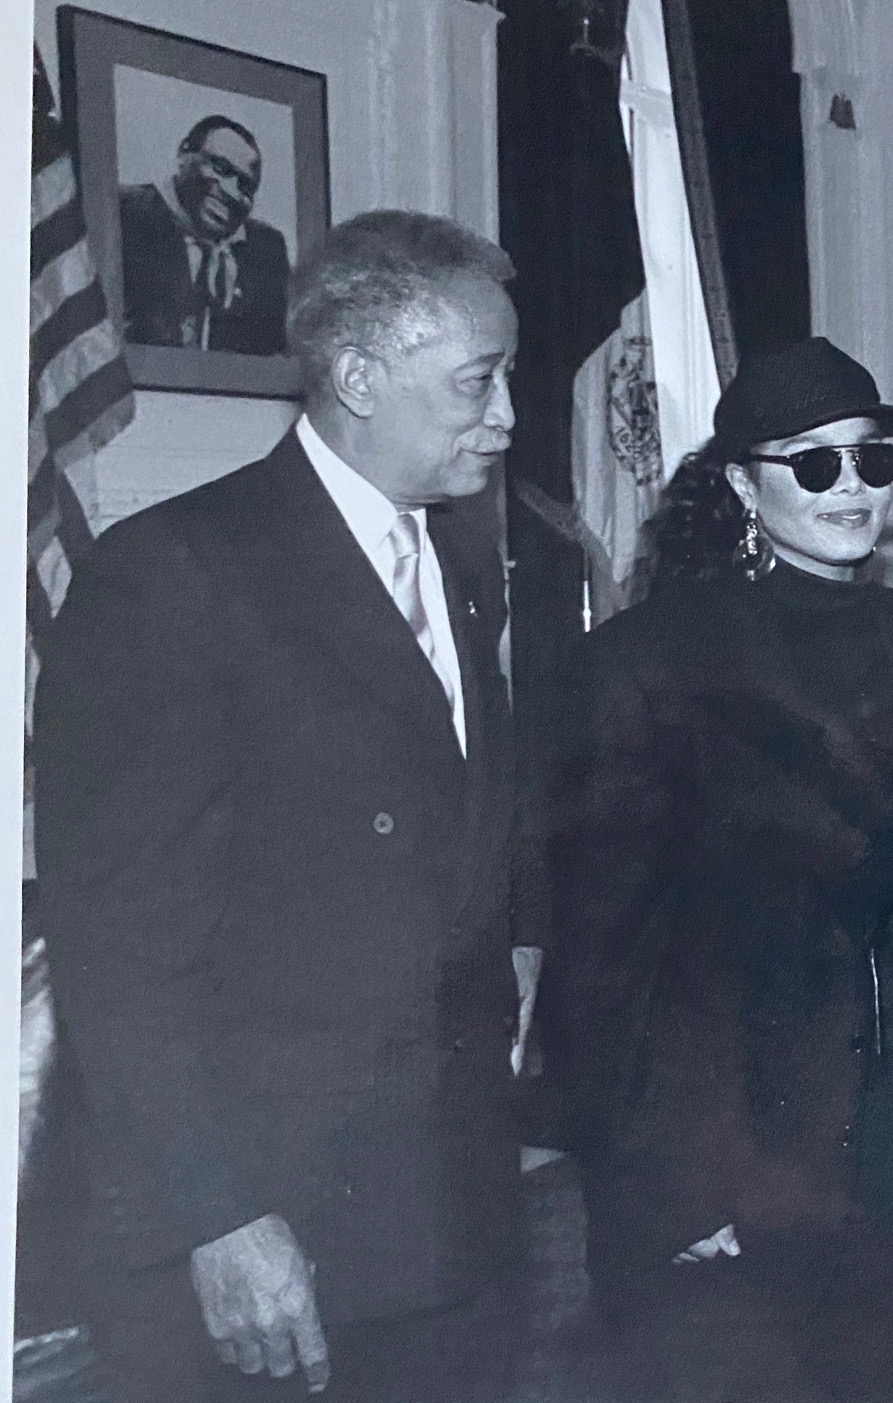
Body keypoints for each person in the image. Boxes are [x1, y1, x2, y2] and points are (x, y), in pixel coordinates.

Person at [35, 210, 535, 1402]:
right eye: (479, 381)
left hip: (445, 1208)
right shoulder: (176, 573)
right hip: (274, 1225)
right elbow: (119, 947)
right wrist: (221, 1219)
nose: (508, 415)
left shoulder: (460, 565)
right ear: (359, 377)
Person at [531, 336, 893, 1400]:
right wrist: (670, 1187)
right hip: (723, 1129)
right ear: (740, 484)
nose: (851, 488)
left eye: (870, 460)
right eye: (814, 464)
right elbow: (597, 961)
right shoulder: (642, 666)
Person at [119, 114, 290, 355]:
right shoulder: (125, 214)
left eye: (245, 186)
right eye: (220, 168)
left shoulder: (265, 250)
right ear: (184, 154)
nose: (231, 192)